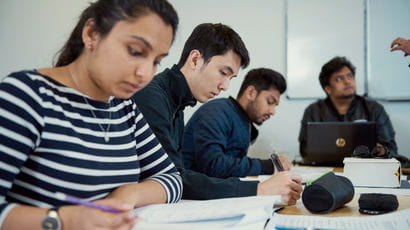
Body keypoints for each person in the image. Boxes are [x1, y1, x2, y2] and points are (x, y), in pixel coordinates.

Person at [0, 1, 182, 229]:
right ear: (92, 34)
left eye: (156, 61)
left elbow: (172, 179)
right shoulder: (28, 95)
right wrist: (65, 220)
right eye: (135, 51)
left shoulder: (124, 109)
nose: (145, 73)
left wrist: (127, 194)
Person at [132, 23, 302, 204]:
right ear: (195, 59)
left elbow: (175, 176)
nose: (225, 86)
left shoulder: (178, 104)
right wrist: (259, 188)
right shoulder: (151, 96)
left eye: (231, 78)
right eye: (223, 73)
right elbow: (173, 177)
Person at [182, 68, 292, 178]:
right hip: (194, 191)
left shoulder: (244, 122)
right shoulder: (217, 112)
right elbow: (213, 165)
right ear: (251, 93)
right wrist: (268, 166)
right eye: (270, 102)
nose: (272, 111)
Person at [298, 56, 398, 160]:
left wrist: (381, 151)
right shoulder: (313, 111)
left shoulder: (374, 109)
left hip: (364, 168)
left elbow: (392, 149)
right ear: (328, 89)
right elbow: (305, 150)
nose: (347, 81)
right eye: (339, 79)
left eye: (350, 76)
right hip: (326, 169)